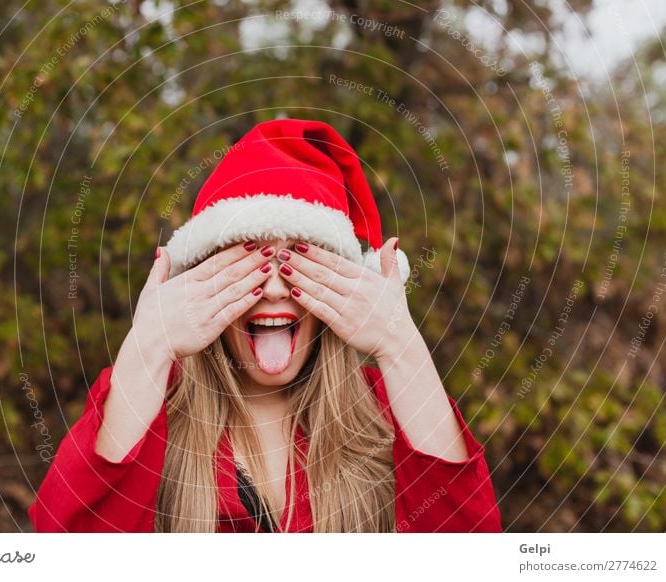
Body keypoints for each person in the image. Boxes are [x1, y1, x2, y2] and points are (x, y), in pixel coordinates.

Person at [28, 118, 502, 533]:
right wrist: (147, 348)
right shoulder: (152, 408)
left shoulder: (386, 409)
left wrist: (401, 345)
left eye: (298, 257)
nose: (275, 289)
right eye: (251, 258)